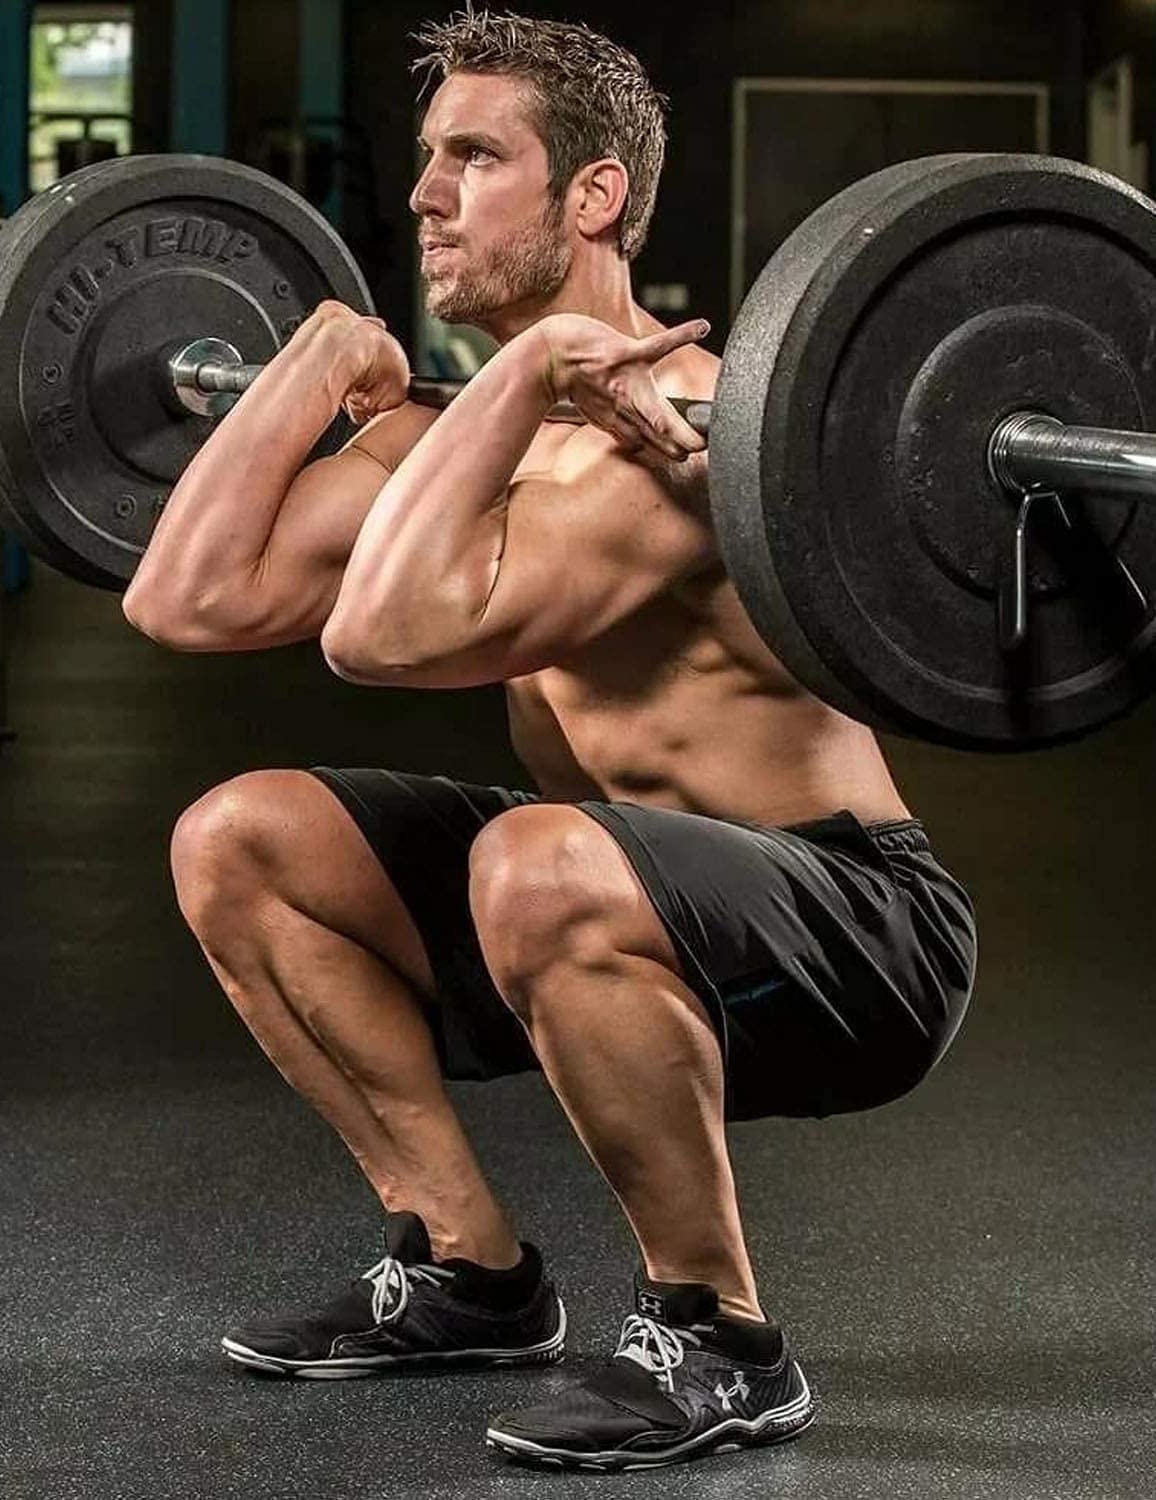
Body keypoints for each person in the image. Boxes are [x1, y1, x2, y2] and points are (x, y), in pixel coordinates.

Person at [122, 6, 977, 1474]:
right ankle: (470, 1273)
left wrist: (527, 378)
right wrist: (313, 361)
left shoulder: (680, 434)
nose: (425, 196)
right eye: (425, 158)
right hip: (607, 900)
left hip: (852, 931)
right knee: (241, 840)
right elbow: (184, 597)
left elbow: (381, 639)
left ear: (593, 196)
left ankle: (719, 1338)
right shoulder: (462, 431)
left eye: (475, 157)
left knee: (535, 857)